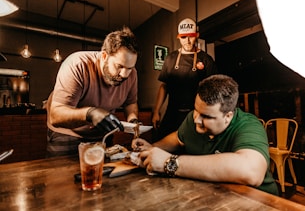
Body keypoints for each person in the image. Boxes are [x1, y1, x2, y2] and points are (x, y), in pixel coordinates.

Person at [132, 74, 279, 195]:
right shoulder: (193, 119)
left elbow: (251, 171)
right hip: (215, 196)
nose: (197, 119)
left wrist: (170, 163)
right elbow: (178, 138)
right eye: (196, 110)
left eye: (207, 117)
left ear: (228, 116)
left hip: (258, 201)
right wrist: (152, 148)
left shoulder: (249, 125)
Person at [47, 26, 140, 157]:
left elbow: (130, 103)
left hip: (103, 135)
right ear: (104, 56)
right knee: (62, 176)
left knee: (102, 175)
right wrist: (90, 113)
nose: (125, 74)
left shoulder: (132, 74)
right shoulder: (78, 64)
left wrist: (133, 121)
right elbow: (55, 115)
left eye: (130, 68)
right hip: (68, 134)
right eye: (119, 66)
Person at [152, 18, 219, 142]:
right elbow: (164, 86)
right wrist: (156, 111)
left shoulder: (206, 59)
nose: (187, 41)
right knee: (163, 144)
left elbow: (213, 91)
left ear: (197, 36)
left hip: (195, 115)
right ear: (179, 37)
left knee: (192, 148)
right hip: (172, 113)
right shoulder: (170, 58)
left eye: (191, 37)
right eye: (183, 37)